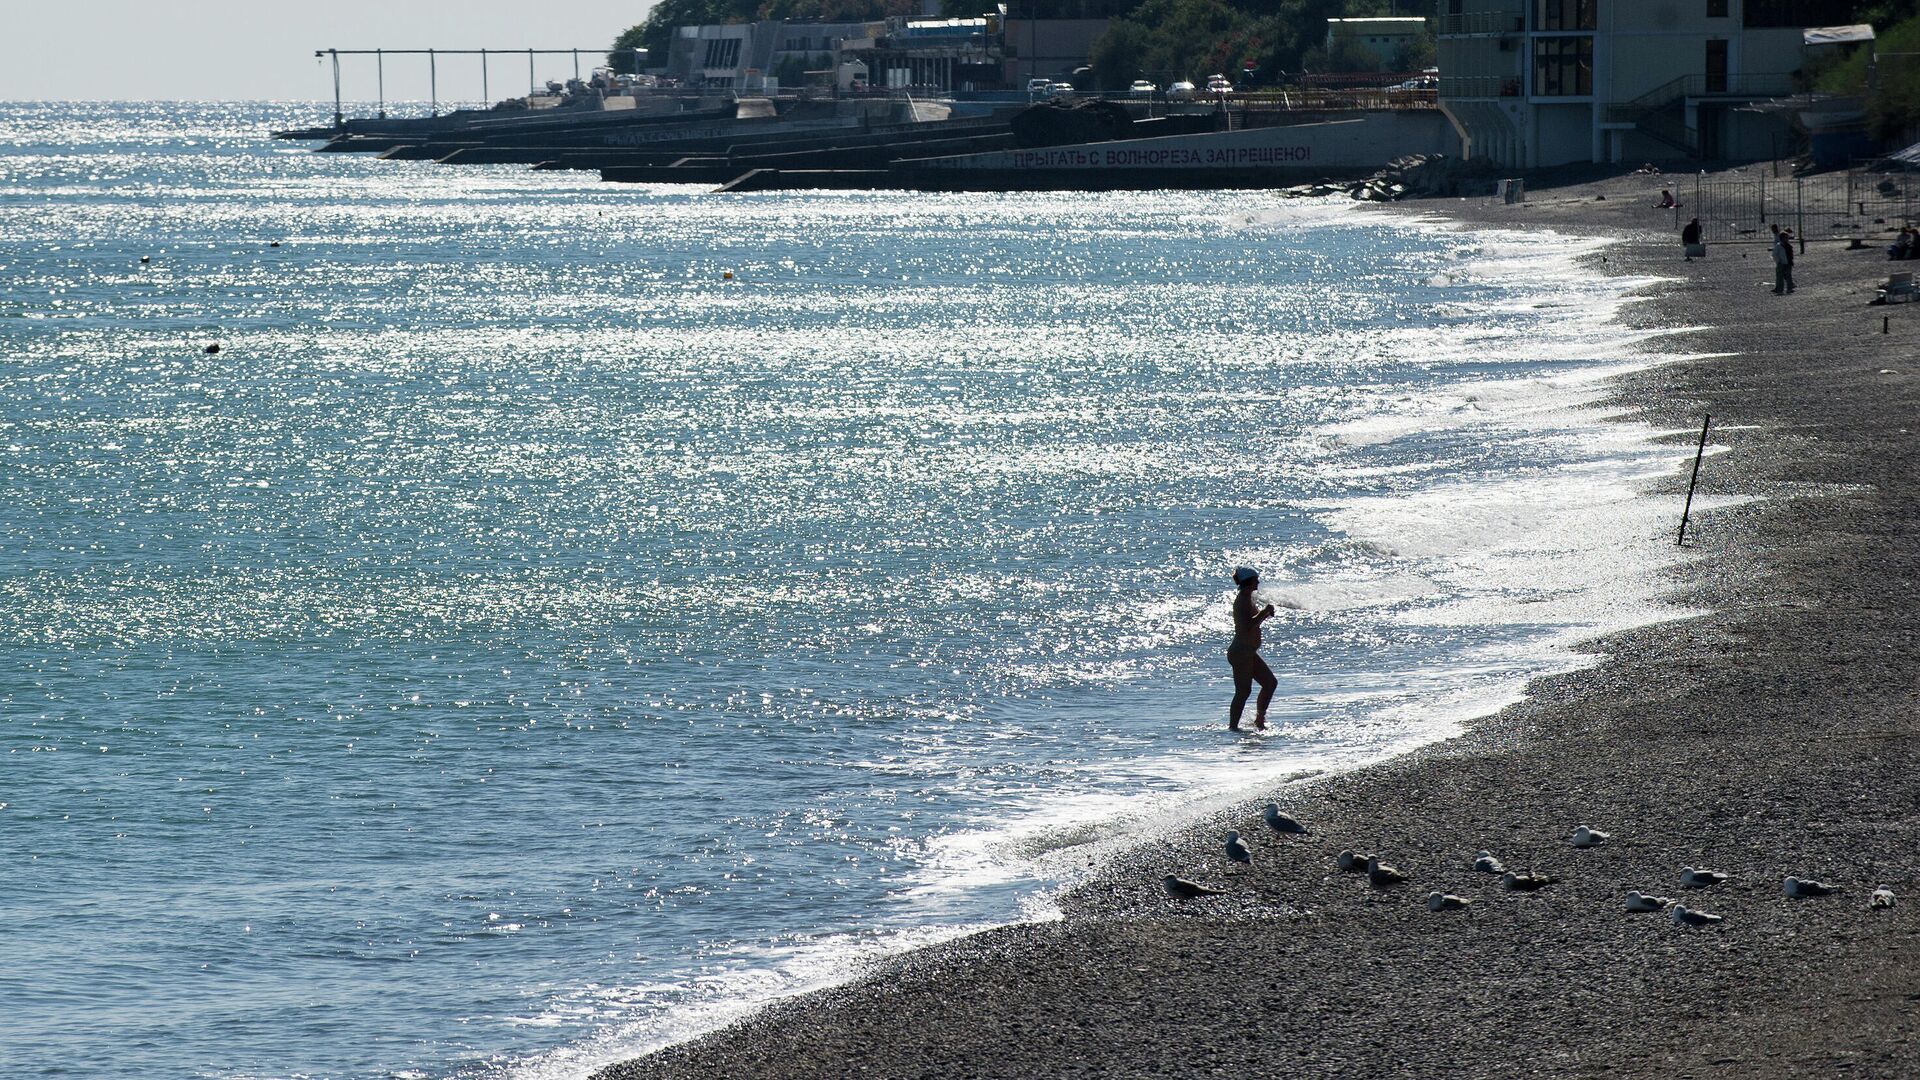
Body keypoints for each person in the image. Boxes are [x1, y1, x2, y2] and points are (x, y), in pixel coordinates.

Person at [1226, 566, 1278, 731]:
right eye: (1256, 579)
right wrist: (1265, 612)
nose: (1258, 582)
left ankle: (1259, 720)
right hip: (1241, 652)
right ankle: (1233, 728)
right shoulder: (1242, 600)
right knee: (1243, 691)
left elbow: (1253, 622)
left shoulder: (1248, 597)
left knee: (1270, 683)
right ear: (1248, 582)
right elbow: (1248, 626)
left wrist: (1265, 613)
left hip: (1248, 651)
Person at [1771, 224, 1795, 294]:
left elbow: (1791, 254)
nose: (1787, 239)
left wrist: (1791, 261)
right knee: (1779, 276)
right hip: (1781, 263)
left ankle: (1789, 288)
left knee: (1788, 276)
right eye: (1785, 238)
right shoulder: (1779, 245)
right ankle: (1779, 289)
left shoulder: (1788, 246)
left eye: (1787, 238)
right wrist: (1778, 261)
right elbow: (1774, 254)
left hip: (1788, 263)